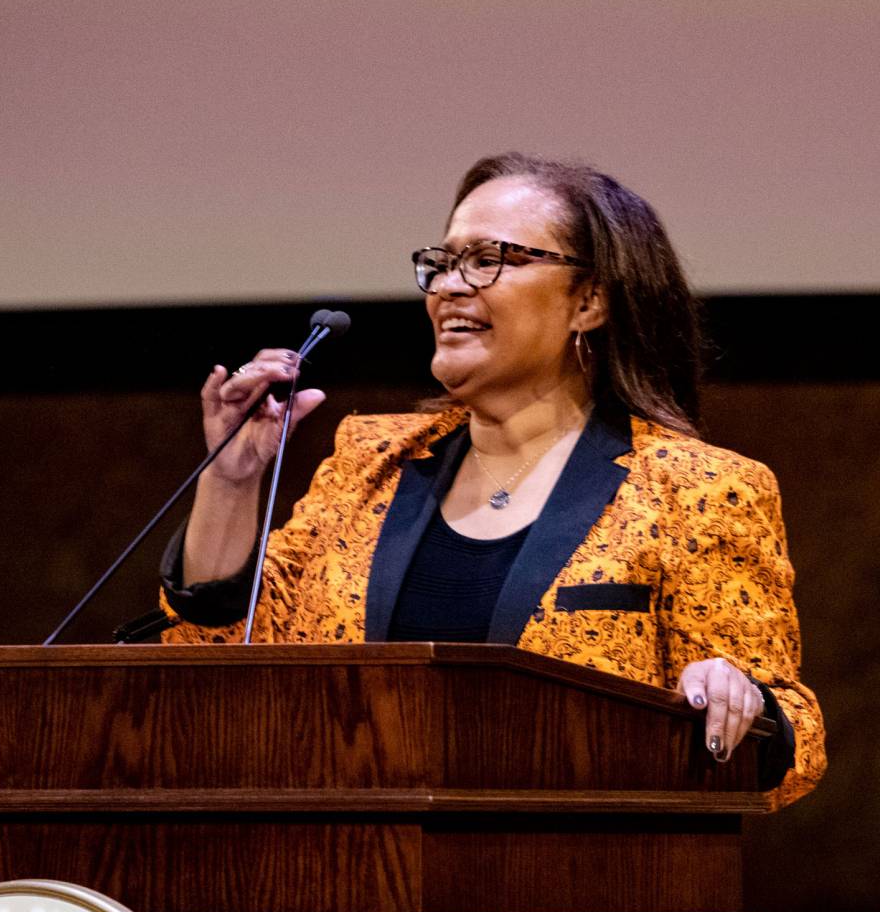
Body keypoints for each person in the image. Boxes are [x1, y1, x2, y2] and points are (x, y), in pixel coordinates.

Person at [159, 152, 825, 809]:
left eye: (488, 260)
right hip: (359, 884)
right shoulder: (369, 462)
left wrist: (743, 701)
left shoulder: (699, 490)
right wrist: (232, 478)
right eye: (442, 263)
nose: (449, 285)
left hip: (579, 895)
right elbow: (221, 655)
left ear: (589, 300)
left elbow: (795, 742)